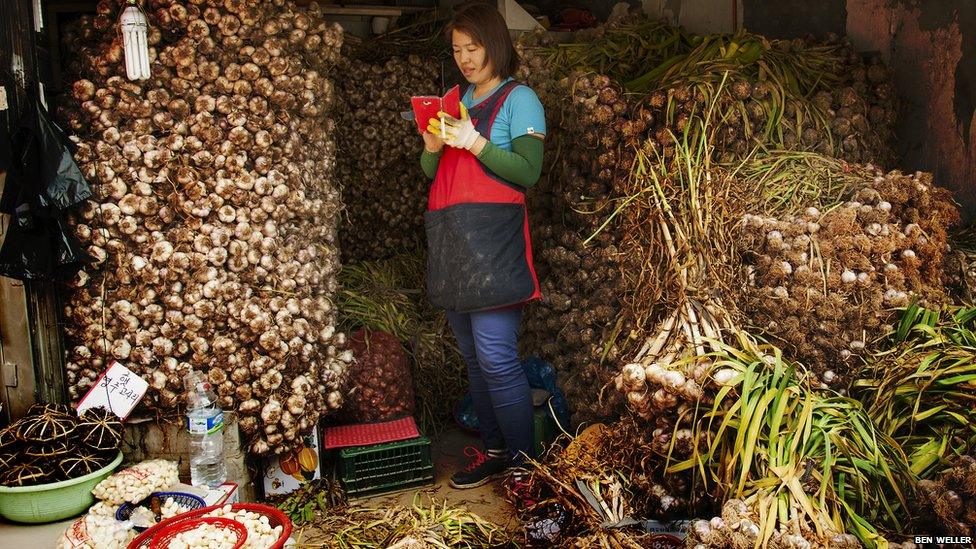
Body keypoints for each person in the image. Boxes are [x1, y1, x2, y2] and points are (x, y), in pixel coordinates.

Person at [420, 2, 546, 489]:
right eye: (457, 50)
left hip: (493, 241)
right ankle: (494, 451)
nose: (465, 59)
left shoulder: (521, 100)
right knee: (473, 357)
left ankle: (523, 465)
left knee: (496, 355)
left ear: (495, 43)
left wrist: (474, 142)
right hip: (453, 240)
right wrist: (432, 148)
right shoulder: (457, 100)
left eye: (473, 48)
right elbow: (430, 176)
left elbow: (528, 173)